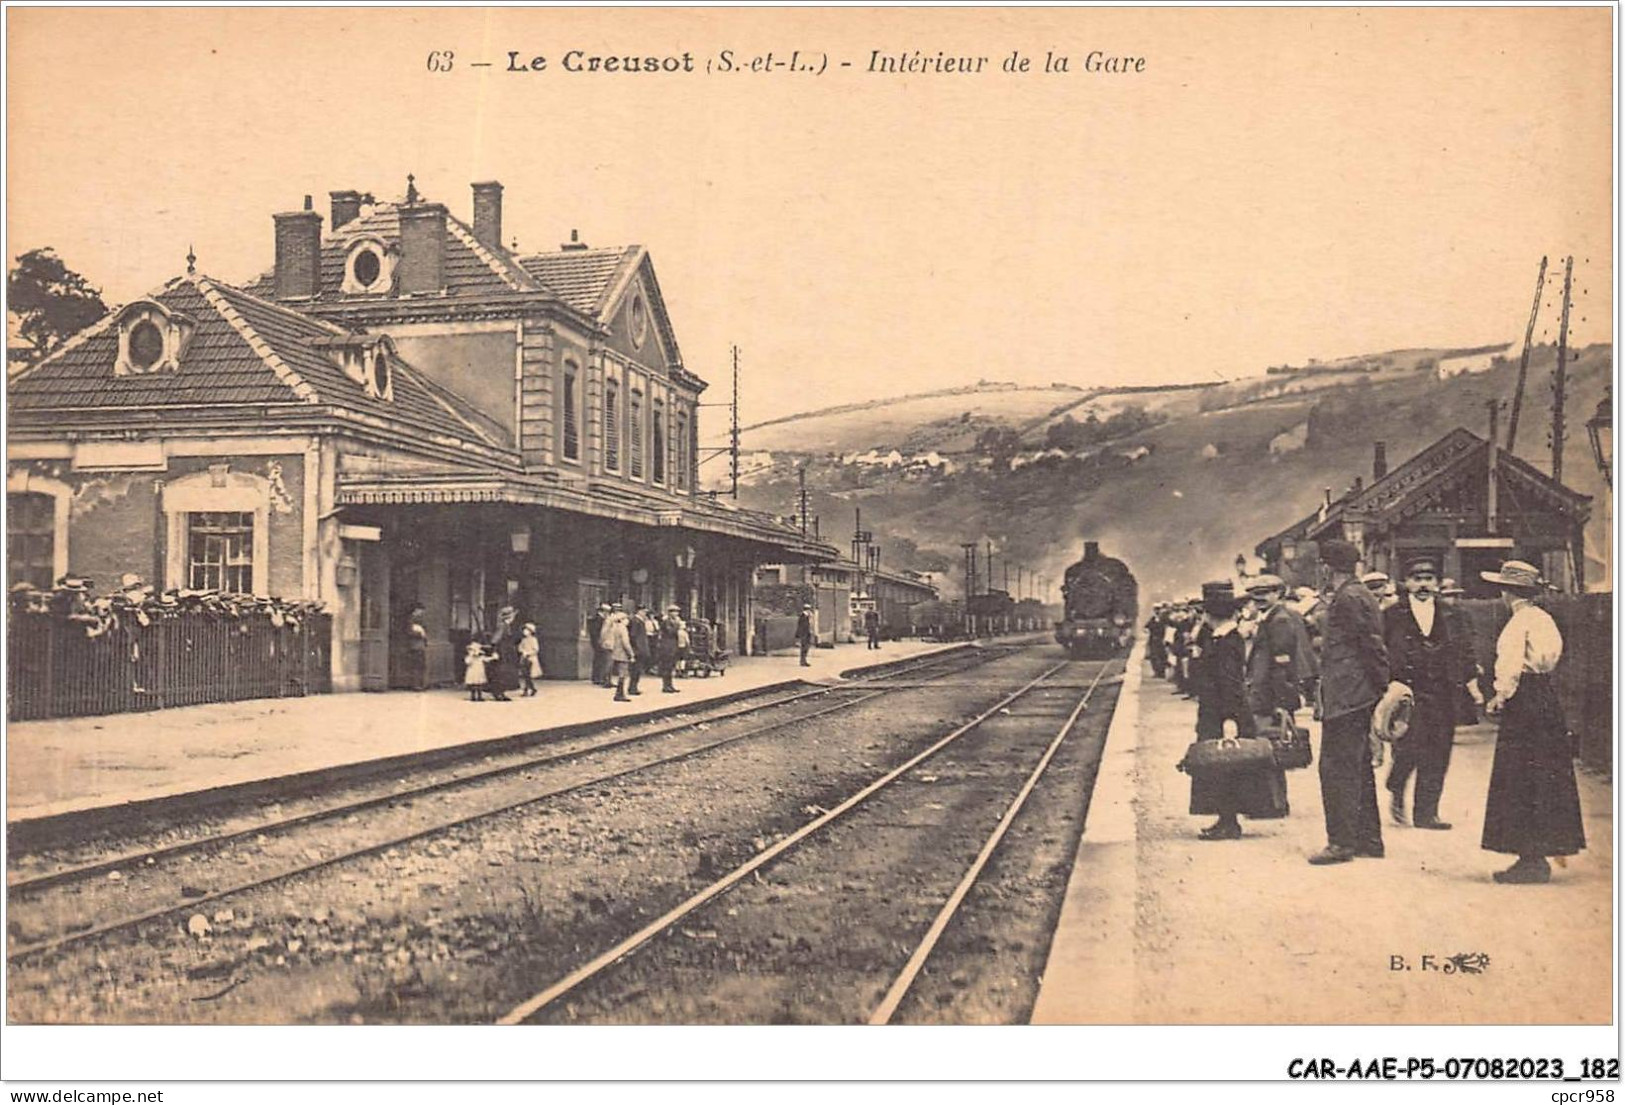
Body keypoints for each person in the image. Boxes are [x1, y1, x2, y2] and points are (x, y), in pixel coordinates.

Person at [1479, 560, 1584, 884]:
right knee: (1543, 773)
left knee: (1521, 775)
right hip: (1545, 698)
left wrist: (1500, 695)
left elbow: (1510, 663)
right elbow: (1551, 658)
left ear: (1506, 592)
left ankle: (1530, 858)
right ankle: (1538, 851)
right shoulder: (1544, 619)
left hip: (1524, 699)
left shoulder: (1518, 623)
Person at [1310, 539, 1391, 865]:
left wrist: (1379, 687)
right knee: (1357, 767)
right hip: (1356, 692)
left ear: (1328, 567)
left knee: (1336, 768)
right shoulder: (1360, 595)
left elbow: (1371, 646)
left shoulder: (1347, 599)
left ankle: (1341, 843)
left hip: (1347, 695)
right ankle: (1369, 840)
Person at [1188, 586, 1288, 840]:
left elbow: (1230, 683)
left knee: (1226, 765)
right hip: (1217, 710)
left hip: (1224, 712)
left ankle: (1229, 822)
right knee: (1221, 766)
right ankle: (1225, 817)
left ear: (1211, 613)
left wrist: (1230, 718)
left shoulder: (1227, 641)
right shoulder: (1221, 637)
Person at [1382, 557, 1466, 830]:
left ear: (1438, 584)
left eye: (1428, 578)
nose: (1422, 584)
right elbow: (1380, 651)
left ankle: (1427, 813)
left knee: (1439, 749)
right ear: (1406, 583)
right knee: (1410, 746)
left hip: (1443, 690)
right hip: (1408, 691)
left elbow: (1464, 649)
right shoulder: (1392, 615)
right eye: (1416, 578)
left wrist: (1470, 683)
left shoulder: (1452, 614)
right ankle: (1397, 784)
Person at [1243, 575, 1317, 722]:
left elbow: (1283, 666)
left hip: (1273, 700)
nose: (1258, 598)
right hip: (1267, 696)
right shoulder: (1268, 619)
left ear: (1278, 594)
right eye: (1255, 594)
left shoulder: (1279, 621)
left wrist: (1283, 704)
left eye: (1264, 593)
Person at [484, 605, 520, 702]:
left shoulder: (506, 626)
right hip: (502, 652)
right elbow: (495, 640)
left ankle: (501, 693)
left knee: (504, 673)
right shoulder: (502, 626)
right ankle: (498, 693)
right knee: (500, 672)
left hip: (506, 652)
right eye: (512, 616)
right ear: (509, 617)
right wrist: (495, 652)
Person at [601, 603, 634, 702]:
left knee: (619, 671)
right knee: (623, 674)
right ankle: (620, 694)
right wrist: (631, 654)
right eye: (625, 618)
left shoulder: (615, 628)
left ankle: (619, 693)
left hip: (615, 651)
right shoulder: (623, 629)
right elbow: (625, 642)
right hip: (622, 653)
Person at [657, 605, 684, 692]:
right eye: (674, 612)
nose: (676, 613)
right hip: (667, 646)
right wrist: (678, 626)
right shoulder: (666, 621)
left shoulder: (673, 621)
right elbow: (670, 632)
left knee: (671, 667)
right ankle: (666, 686)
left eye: (677, 612)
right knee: (666, 667)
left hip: (672, 646)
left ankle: (670, 685)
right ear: (670, 612)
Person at [628, 604, 653, 696]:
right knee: (636, 669)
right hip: (638, 649)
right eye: (643, 612)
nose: (645, 613)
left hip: (640, 648)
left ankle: (634, 687)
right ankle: (632, 688)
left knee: (638, 669)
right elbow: (633, 635)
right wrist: (637, 648)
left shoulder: (640, 621)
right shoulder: (636, 621)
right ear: (639, 611)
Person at [404, 605, 430, 691]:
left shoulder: (420, 620)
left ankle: (420, 684)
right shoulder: (410, 620)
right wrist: (420, 634)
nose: (421, 613)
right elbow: (409, 632)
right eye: (420, 611)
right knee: (416, 666)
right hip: (415, 646)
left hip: (420, 646)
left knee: (421, 666)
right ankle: (416, 685)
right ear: (416, 610)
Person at [587, 603, 611, 687]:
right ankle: (598, 677)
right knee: (600, 660)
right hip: (598, 642)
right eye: (607, 612)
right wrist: (599, 641)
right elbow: (596, 632)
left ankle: (598, 677)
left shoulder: (599, 619)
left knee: (599, 659)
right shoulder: (598, 619)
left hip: (598, 641)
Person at [1145, 603, 1170, 678]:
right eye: (1155, 609)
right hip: (1153, 639)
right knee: (1153, 656)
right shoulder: (1152, 619)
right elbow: (1146, 627)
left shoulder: (1164, 619)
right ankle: (1156, 672)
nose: (1157, 611)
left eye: (1158, 609)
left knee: (1162, 656)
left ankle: (1162, 672)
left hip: (1161, 639)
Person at [517, 622, 542, 697]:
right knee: (525, 675)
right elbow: (520, 647)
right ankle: (530, 689)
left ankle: (527, 689)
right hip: (524, 658)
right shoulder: (523, 640)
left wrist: (528, 653)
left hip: (531, 659)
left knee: (528, 675)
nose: (524, 632)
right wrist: (522, 651)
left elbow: (536, 649)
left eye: (526, 630)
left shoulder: (533, 640)